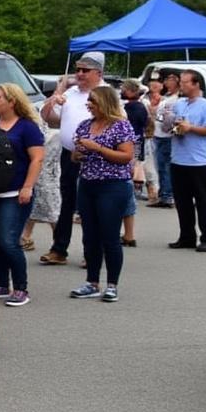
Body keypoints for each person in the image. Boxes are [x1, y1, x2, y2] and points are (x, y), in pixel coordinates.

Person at [69, 85, 138, 303]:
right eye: (89, 100)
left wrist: (97, 148)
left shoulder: (121, 125)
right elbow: (74, 156)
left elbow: (126, 156)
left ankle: (112, 285)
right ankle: (92, 282)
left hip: (113, 185)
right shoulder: (85, 125)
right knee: (90, 236)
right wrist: (78, 154)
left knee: (109, 236)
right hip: (88, 183)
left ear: (105, 103)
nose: (89, 104)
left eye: (93, 101)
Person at [38, 51, 103, 266]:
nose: (80, 74)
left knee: (90, 205)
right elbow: (50, 119)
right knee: (67, 202)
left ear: (98, 73)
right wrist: (54, 97)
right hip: (69, 154)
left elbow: (116, 123)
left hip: (95, 156)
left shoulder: (105, 93)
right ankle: (59, 249)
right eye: (78, 70)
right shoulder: (71, 92)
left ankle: (91, 252)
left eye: (85, 70)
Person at [0, 83, 45, 307]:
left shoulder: (27, 127)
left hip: (15, 191)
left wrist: (28, 186)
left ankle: (21, 287)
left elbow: (37, 158)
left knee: (8, 241)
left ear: (12, 101)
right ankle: (1, 283)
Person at [167, 69, 206, 253]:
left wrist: (191, 128)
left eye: (185, 82)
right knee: (182, 201)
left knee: (203, 201)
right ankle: (187, 236)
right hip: (179, 158)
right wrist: (172, 124)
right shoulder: (179, 104)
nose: (181, 85)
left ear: (196, 84)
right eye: (180, 82)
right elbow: (173, 125)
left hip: (199, 161)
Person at [119, 79, 149, 245]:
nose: (122, 92)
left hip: (130, 147)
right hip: (137, 144)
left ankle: (128, 233)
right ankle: (128, 233)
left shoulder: (130, 109)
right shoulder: (141, 107)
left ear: (131, 91)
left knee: (126, 185)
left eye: (124, 89)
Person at [148, 68, 180, 209]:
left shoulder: (176, 99)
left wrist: (164, 120)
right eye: (166, 79)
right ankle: (164, 194)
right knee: (161, 167)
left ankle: (167, 196)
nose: (166, 82)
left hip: (166, 137)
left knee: (165, 167)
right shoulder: (167, 96)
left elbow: (170, 120)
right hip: (159, 135)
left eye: (170, 79)